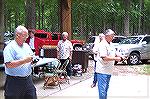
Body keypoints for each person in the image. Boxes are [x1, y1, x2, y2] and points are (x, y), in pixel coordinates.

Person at [3, 25, 37, 99]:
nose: (27, 37)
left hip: (28, 80)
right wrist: (25, 61)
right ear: (17, 35)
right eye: (25, 35)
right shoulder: (9, 47)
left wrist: (33, 60)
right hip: (14, 82)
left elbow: (31, 57)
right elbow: (9, 64)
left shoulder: (26, 46)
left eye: (27, 35)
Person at [95, 29, 125, 99]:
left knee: (105, 89)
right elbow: (104, 58)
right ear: (106, 36)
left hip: (108, 71)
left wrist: (121, 56)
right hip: (102, 71)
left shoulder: (111, 44)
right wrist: (116, 59)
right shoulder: (102, 44)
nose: (113, 37)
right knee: (102, 90)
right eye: (112, 36)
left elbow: (115, 52)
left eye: (113, 35)